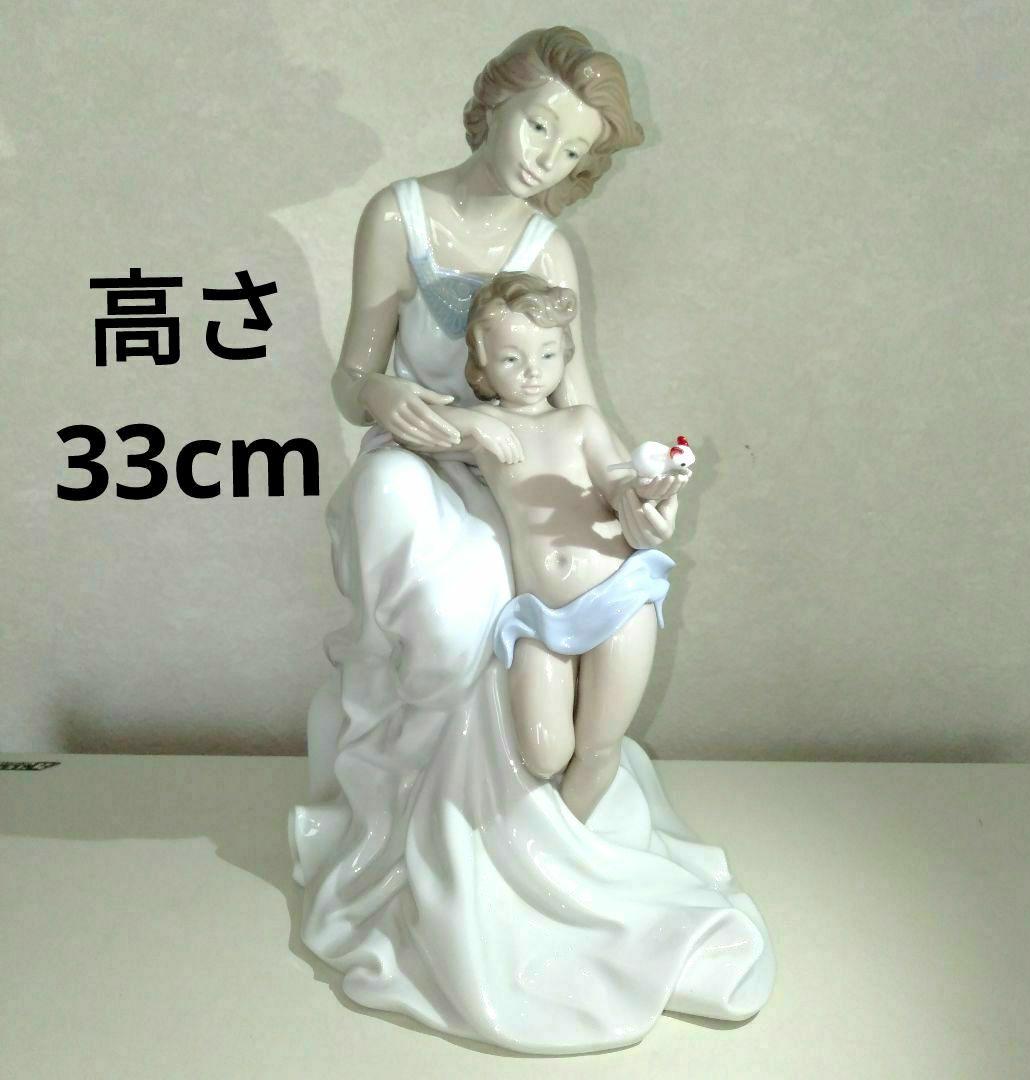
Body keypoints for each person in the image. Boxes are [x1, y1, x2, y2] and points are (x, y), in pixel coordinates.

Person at [289, 27, 775, 1054]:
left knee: (512, 618)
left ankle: (502, 842)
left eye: (572, 150)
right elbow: (351, 375)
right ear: (495, 101)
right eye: (539, 126)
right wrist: (384, 396)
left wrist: (631, 496)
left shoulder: (547, 247)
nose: (545, 158)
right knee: (446, 611)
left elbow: (577, 400)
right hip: (418, 457)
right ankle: (416, 826)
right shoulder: (400, 214)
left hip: (517, 478)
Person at [424, 271, 692, 825]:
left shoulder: (579, 422)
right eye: (512, 359)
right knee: (543, 753)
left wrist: (647, 496)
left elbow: (618, 480)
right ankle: (551, 838)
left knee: (597, 745)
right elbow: (411, 430)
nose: (532, 372)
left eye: (547, 355)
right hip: (541, 616)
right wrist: (469, 420)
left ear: (564, 354)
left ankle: (567, 847)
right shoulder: (487, 428)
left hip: (617, 596)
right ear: (481, 365)